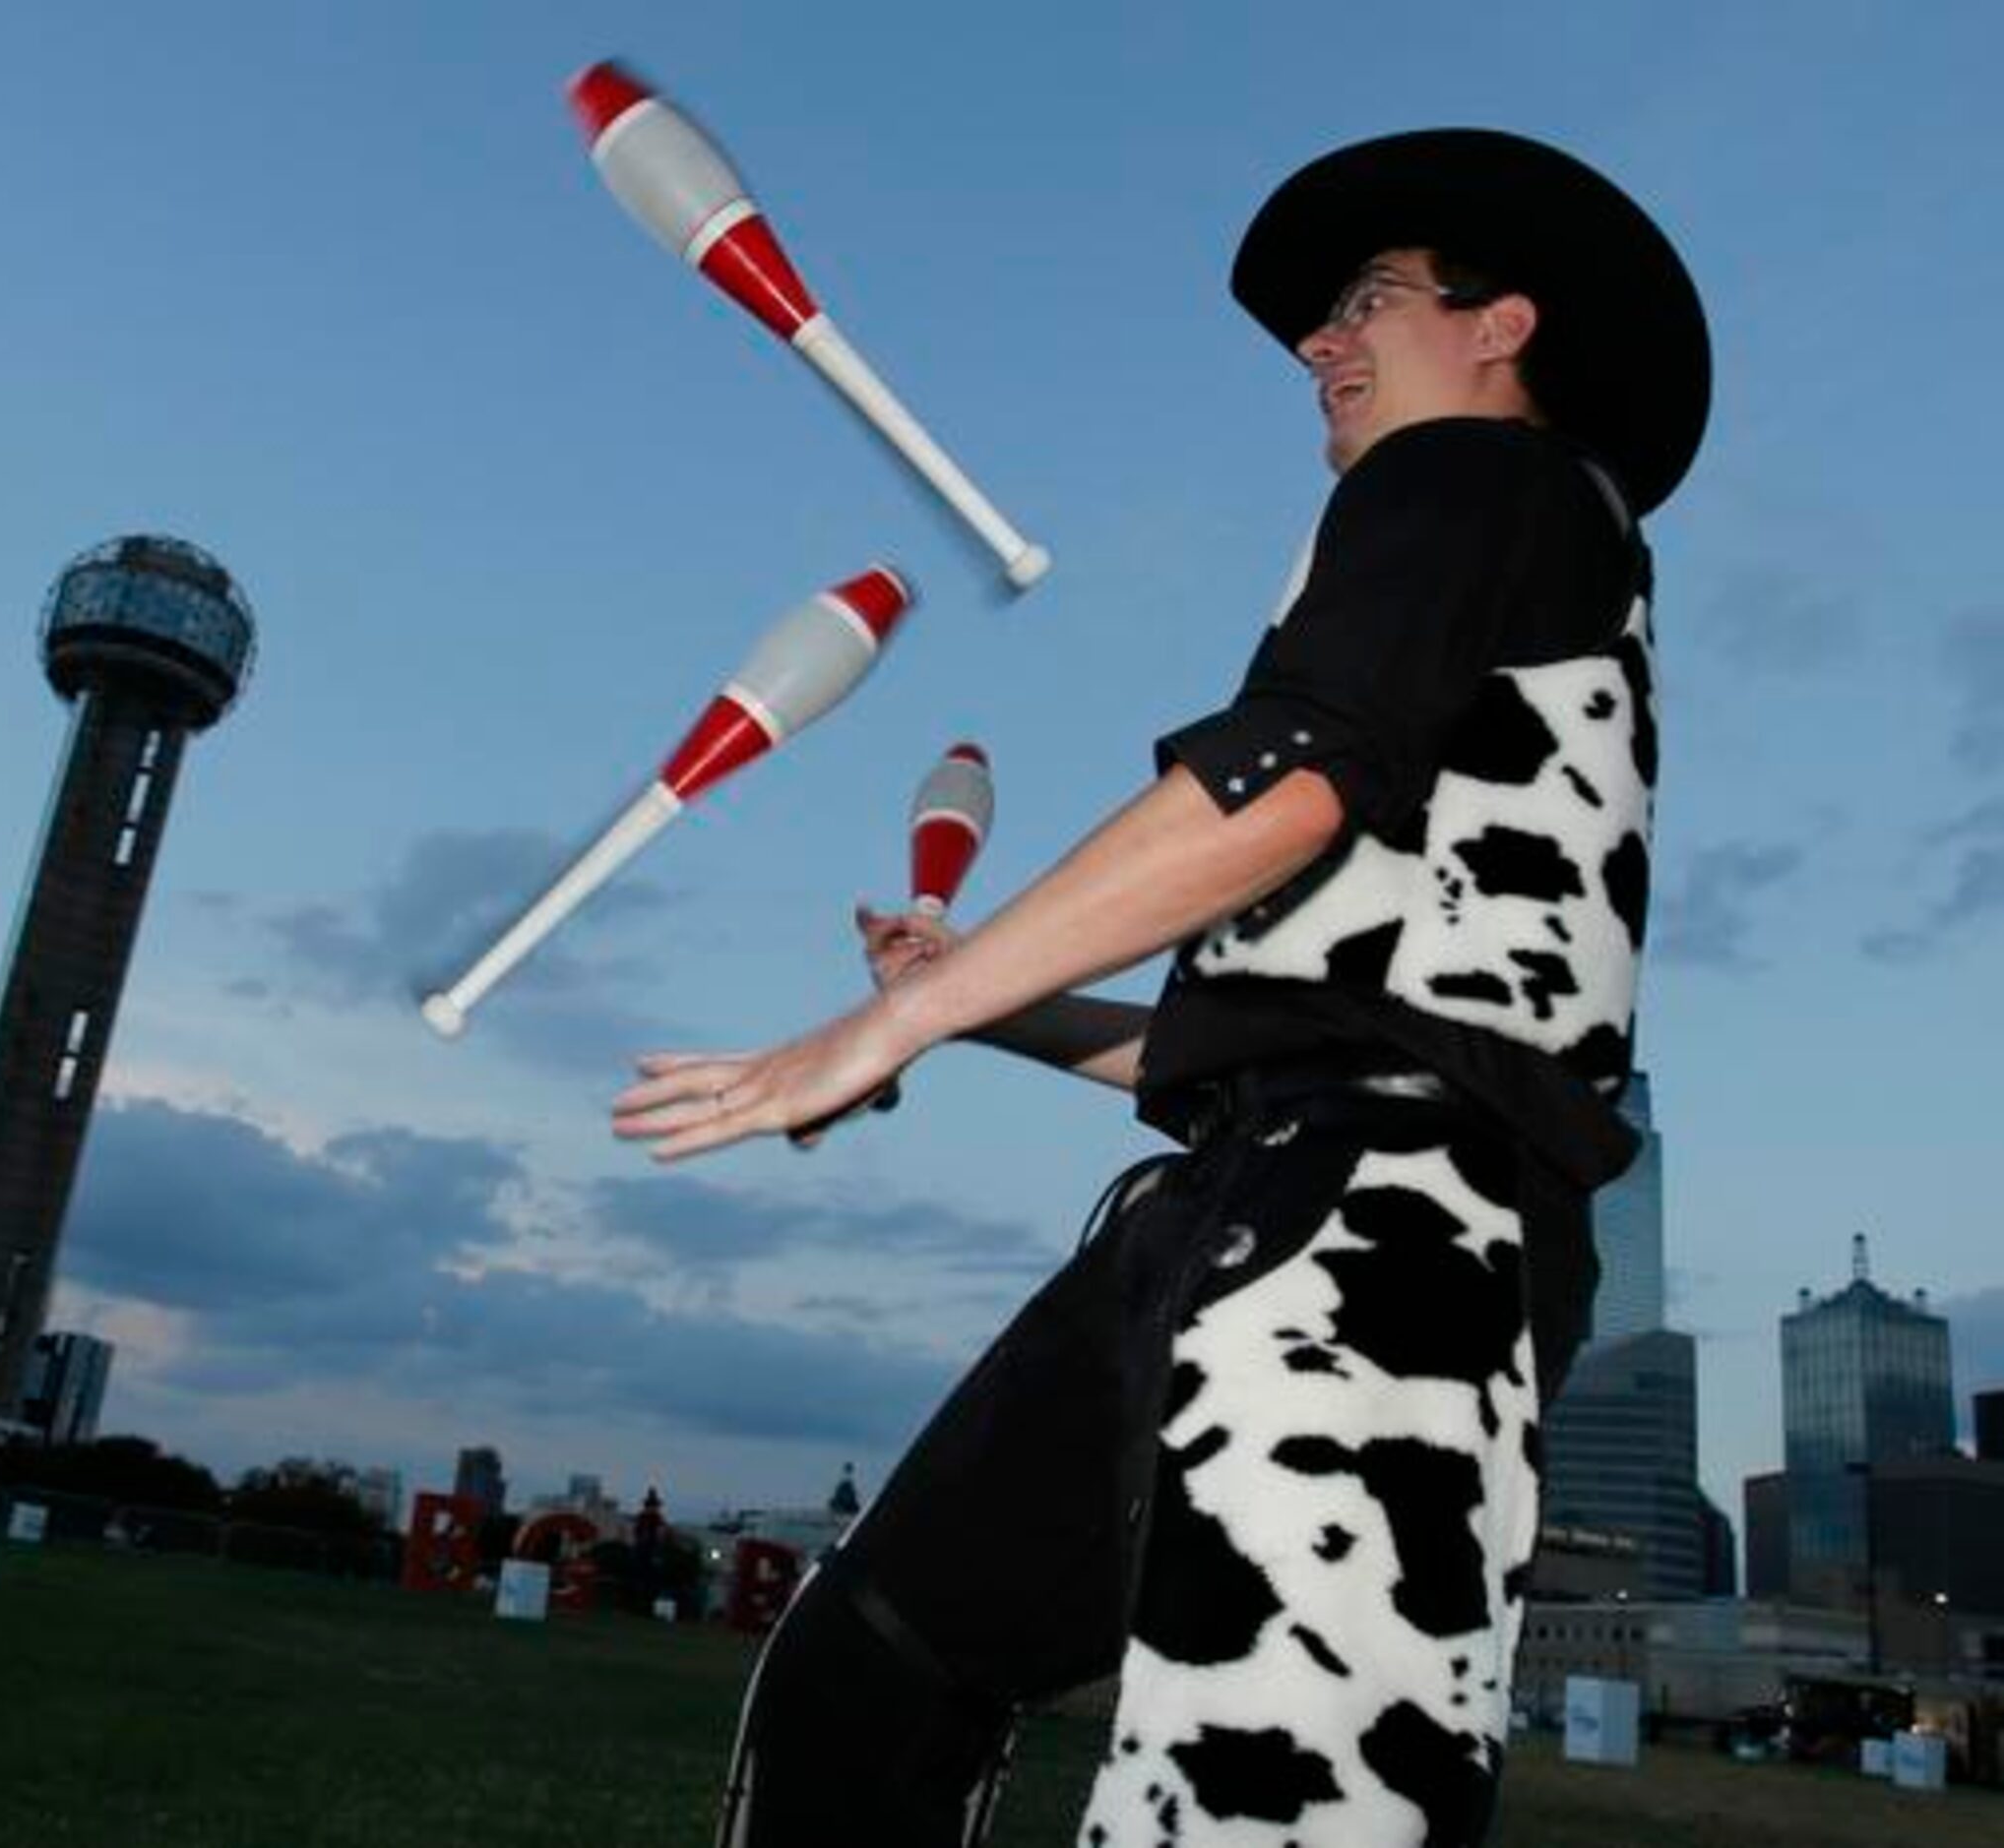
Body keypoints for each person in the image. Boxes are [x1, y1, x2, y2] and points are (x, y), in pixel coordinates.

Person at [612, 127, 1709, 1848]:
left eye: (1365, 300)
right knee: (867, 1672)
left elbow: (1291, 768)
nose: (1315, 346)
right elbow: (1263, 1032)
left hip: (1386, 1250)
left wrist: (892, 1020)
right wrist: (977, 991)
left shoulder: (1478, 481)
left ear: (1500, 327)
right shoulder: (1468, 577)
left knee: (1257, 1808)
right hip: (1247, 1189)